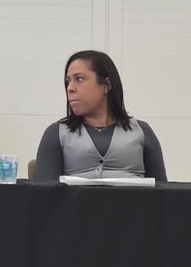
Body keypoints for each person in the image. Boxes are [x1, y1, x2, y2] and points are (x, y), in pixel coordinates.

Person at [35, 50, 167, 181]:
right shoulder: (56, 133)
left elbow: (162, 190)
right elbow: (46, 191)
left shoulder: (141, 131)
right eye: (68, 81)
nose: (70, 88)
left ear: (106, 85)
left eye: (79, 79)